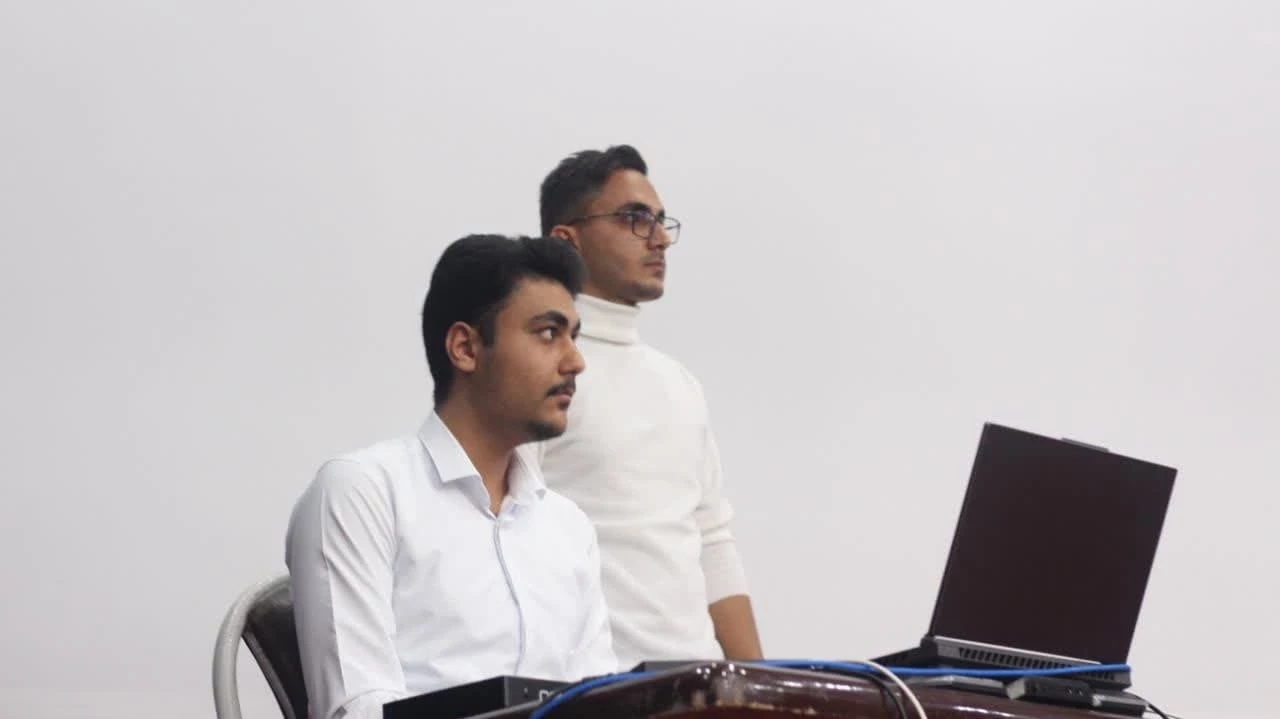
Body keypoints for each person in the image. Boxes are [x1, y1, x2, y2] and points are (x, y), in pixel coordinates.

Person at [285, 234, 617, 719]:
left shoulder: (568, 527)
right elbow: (357, 709)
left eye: (574, 336)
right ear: (465, 348)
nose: (575, 361)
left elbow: (604, 703)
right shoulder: (364, 492)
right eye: (549, 333)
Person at [528, 145, 763, 670]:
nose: (659, 238)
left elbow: (713, 543)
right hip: (594, 689)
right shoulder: (537, 372)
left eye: (660, 220)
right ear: (566, 239)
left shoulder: (679, 383)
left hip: (702, 688)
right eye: (635, 218)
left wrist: (762, 691)